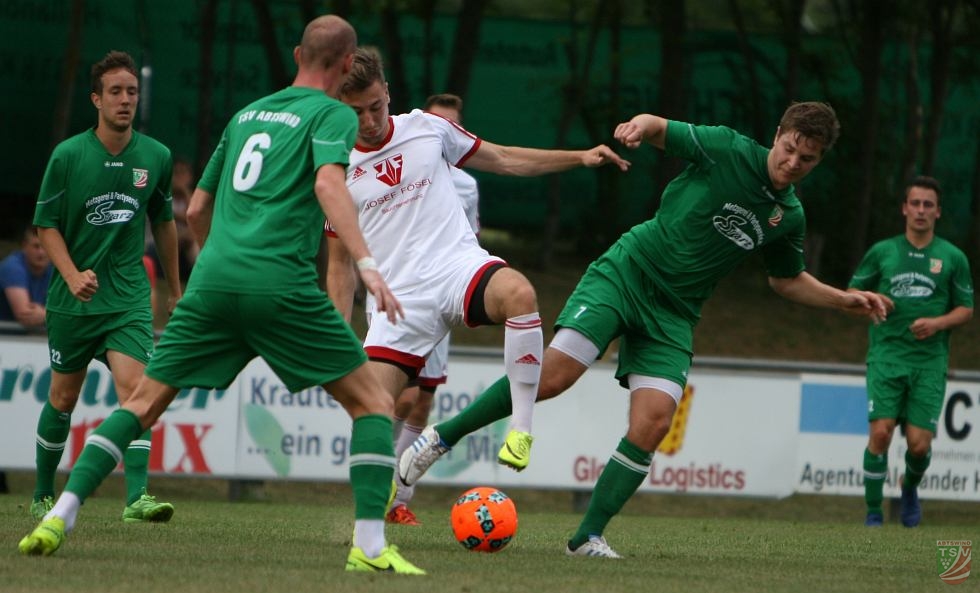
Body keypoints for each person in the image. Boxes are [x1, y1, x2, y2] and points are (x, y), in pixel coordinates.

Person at [18, 16, 426, 575]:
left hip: (212, 283)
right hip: (279, 283)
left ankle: (58, 516)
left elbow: (195, 211)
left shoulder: (246, 114)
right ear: (343, 62)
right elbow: (330, 184)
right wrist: (367, 264)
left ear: (296, 54)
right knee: (374, 405)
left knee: (140, 404)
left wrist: (214, 265)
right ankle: (371, 546)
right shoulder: (331, 113)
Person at [399, 102, 893, 558]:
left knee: (655, 421)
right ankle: (441, 438)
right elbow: (661, 129)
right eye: (789, 149)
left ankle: (586, 536)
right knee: (555, 376)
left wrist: (841, 299)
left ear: (818, 160)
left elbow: (786, 281)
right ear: (778, 135)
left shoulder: (789, 217)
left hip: (675, 313)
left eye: (806, 159)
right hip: (627, 272)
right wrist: (639, 126)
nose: (792, 163)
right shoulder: (727, 148)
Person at [328, 48, 629, 484]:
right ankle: (373, 523)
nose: (370, 121)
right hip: (399, 301)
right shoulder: (335, 168)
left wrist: (578, 157)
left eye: (376, 106)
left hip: (457, 269)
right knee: (372, 413)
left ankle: (520, 430)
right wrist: (337, 339)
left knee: (518, 293)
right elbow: (339, 267)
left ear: (388, 93)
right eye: (356, 112)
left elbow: (503, 157)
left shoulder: (427, 129)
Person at [26, 50, 182, 525]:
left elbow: (165, 221)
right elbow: (45, 224)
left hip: (127, 297)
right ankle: (40, 493)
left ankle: (137, 498)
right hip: (73, 301)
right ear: (96, 99)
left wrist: (176, 290)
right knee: (63, 399)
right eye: (115, 92)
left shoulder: (155, 156)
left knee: (137, 392)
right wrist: (72, 275)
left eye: (131, 92)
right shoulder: (69, 155)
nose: (124, 100)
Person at [848, 175, 973, 528]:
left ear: (938, 212)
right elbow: (852, 295)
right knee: (881, 434)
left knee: (918, 446)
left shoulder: (952, 257)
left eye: (927, 205)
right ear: (904, 208)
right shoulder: (883, 252)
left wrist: (937, 323)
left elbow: (966, 308)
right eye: (915, 203)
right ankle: (873, 513)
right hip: (887, 358)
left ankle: (909, 490)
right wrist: (869, 305)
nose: (920, 210)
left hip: (930, 362)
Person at [387, 93, 481, 526]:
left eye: (452, 126)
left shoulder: (466, 184)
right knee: (397, 396)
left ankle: (400, 498)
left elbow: (470, 238)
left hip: (443, 293)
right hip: (401, 294)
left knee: (424, 400)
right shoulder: (399, 165)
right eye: (436, 123)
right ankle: (378, 485)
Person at [0, 226, 53, 331]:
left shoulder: (56, 269)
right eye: (36, 246)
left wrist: (45, 314)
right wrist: (51, 314)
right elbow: (25, 315)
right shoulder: (12, 267)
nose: (41, 252)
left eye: (46, 246)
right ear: (24, 246)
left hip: (33, 337)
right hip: (5, 337)